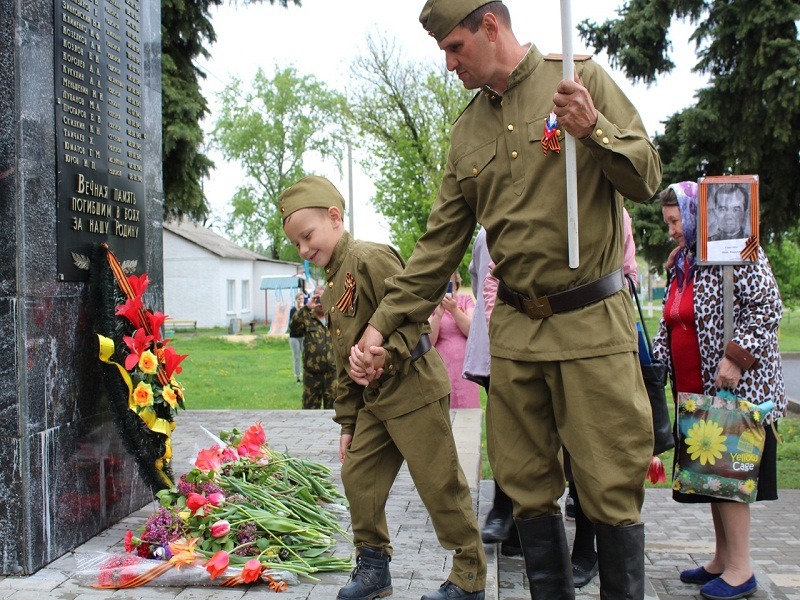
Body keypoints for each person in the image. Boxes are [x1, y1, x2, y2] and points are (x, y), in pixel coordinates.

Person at [350, 1, 662, 598]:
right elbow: (436, 249)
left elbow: (646, 178)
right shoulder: (468, 131)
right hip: (516, 336)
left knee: (611, 489)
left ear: (489, 25)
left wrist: (592, 128)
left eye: (454, 47)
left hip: (593, 327)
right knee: (524, 488)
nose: (448, 64)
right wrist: (380, 329)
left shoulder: (578, 77)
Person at [279, 175, 487, 600]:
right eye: (296, 244)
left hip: (412, 388)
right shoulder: (334, 280)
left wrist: (387, 354)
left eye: (307, 236)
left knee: (438, 484)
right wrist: (347, 422)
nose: (303, 250)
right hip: (374, 401)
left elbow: (416, 309)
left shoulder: (370, 257)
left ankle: (469, 575)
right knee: (358, 474)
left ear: (335, 218)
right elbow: (345, 359)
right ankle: (374, 567)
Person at [652, 182, 785, 600]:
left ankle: (742, 570)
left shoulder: (737, 247)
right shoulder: (685, 261)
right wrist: (654, 363)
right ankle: (723, 558)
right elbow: (672, 319)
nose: (671, 230)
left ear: (693, 214)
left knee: (727, 475)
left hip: (734, 385)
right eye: (668, 222)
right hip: (695, 388)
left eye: (675, 221)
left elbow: (768, 305)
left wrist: (736, 356)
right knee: (711, 478)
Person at [561, 207, 639, 588]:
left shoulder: (614, 211)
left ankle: (588, 548)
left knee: (603, 455)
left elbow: (629, 273)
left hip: (602, 338)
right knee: (574, 454)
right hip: (557, 341)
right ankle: (582, 546)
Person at [464, 227, 521, 556]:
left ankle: (517, 519)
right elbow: (480, 281)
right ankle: (504, 511)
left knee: (527, 432)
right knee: (504, 428)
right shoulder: (486, 235)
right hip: (493, 347)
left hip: (526, 340)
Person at [429, 271, 480, 408]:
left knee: (467, 417)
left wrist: (454, 310)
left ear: (456, 283)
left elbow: (472, 331)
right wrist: (438, 315)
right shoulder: (431, 305)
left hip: (465, 372)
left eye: (449, 281)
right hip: (441, 370)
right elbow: (429, 342)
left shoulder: (466, 300)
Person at [288, 285, 336, 409]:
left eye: (324, 298)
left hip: (332, 374)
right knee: (309, 412)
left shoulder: (335, 316)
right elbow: (293, 327)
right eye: (318, 298)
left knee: (334, 413)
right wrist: (306, 307)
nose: (321, 302)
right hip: (312, 375)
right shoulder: (307, 316)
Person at [288, 292, 305, 384]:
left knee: (306, 356)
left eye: (302, 299)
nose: (301, 301)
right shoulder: (293, 310)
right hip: (294, 337)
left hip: (303, 336)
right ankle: (298, 377)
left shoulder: (305, 310)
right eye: (299, 299)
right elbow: (292, 324)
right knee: (296, 357)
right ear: (296, 300)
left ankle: (306, 376)